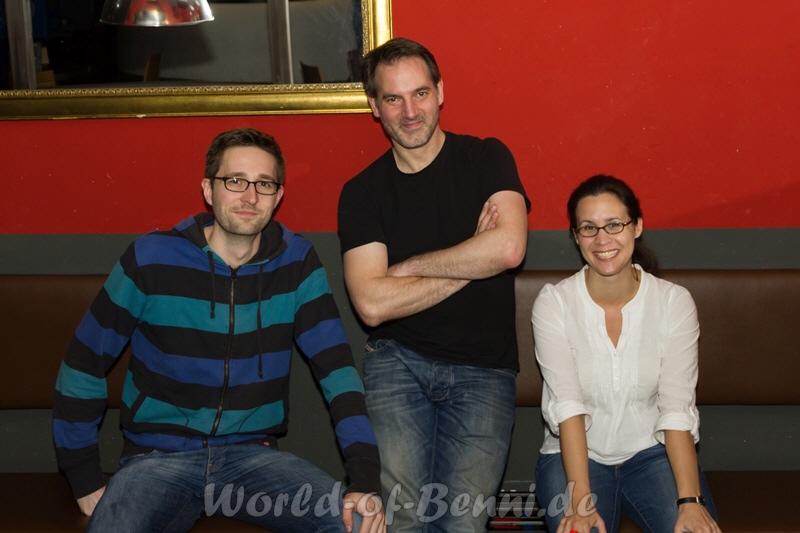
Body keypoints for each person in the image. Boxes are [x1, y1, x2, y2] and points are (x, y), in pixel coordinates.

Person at [52, 128, 386, 533]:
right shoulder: (151, 258)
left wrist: (364, 479)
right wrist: (84, 477)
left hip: (253, 458)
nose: (250, 196)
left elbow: (338, 374)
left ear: (278, 196)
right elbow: (84, 362)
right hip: (156, 458)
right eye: (235, 181)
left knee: (357, 524)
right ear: (209, 190)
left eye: (264, 184)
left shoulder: (297, 263)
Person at [337, 37, 531, 532]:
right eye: (393, 99)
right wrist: (474, 255)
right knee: (403, 519)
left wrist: (405, 271)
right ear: (374, 106)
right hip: (397, 363)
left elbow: (509, 249)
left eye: (420, 93)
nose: (409, 112)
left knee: (463, 524)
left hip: (484, 368)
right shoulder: (361, 193)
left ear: (441, 92)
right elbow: (371, 304)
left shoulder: (486, 158)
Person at [531, 175, 721, 533]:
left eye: (614, 224)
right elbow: (567, 406)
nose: (602, 239)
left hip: (652, 453)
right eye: (589, 227)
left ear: (637, 227)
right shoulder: (555, 303)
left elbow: (677, 408)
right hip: (575, 458)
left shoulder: (672, 301)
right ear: (576, 236)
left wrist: (689, 502)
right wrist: (581, 502)